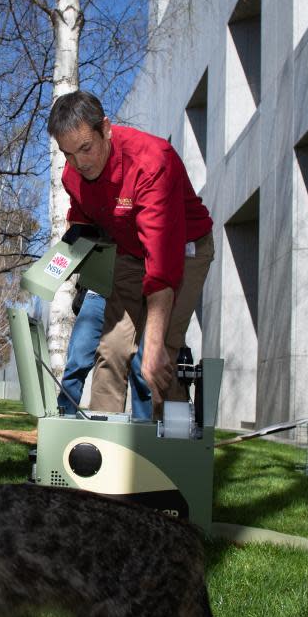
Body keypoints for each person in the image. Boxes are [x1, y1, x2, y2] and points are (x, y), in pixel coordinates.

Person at [49, 91, 214, 412]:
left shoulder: (153, 161)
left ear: (106, 129)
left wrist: (152, 342)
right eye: (68, 154)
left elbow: (162, 262)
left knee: (155, 355)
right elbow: (83, 219)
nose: (80, 163)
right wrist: (57, 267)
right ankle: (104, 451)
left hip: (183, 250)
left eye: (86, 148)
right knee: (111, 350)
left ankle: (168, 449)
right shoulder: (73, 175)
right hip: (129, 251)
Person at [58, 288, 151, 420]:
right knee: (76, 364)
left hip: (134, 300)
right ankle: (63, 425)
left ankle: (144, 432)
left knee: (140, 375)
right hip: (96, 296)